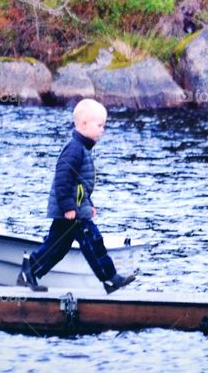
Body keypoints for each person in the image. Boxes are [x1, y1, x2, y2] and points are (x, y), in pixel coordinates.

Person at [17, 99, 136, 294]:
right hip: (72, 212)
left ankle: (29, 271)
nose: (102, 130)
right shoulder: (74, 149)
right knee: (93, 241)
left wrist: (89, 204)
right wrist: (68, 207)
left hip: (77, 209)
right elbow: (63, 179)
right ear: (83, 124)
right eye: (99, 125)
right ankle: (110, 278)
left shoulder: (83, 149)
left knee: (57, 246)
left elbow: (81, 184)